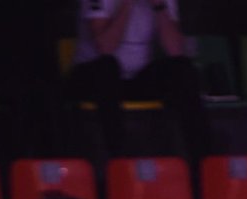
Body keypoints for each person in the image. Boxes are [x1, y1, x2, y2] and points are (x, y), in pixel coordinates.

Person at [65, 0, 210, 159]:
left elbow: (175, 50)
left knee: (182, 68)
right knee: (107, 67)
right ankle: (119, 158)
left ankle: (201, 160)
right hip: (92, 77)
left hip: (134, 79)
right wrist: (127, 4)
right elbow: (105, 47)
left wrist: (159, 7)